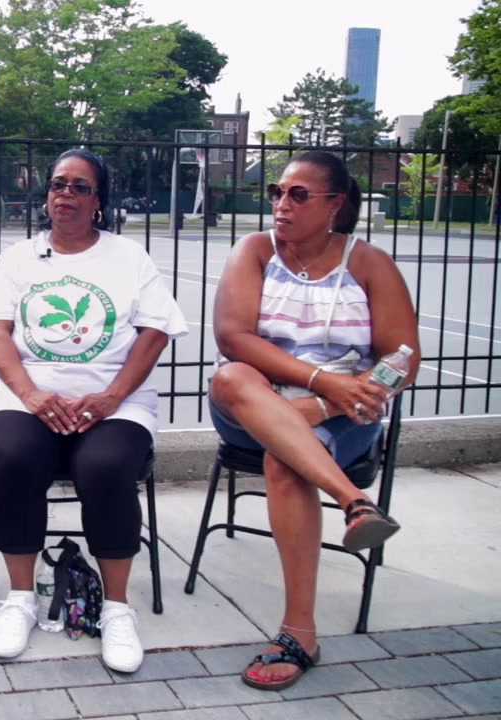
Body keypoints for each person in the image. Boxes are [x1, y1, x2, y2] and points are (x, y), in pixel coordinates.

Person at [210, 150, 419, 691]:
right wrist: (323, 384)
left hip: (347, 412)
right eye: (277, 192)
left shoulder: (369, 263)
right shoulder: (256, 251)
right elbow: (233, 338)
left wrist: (340, 399)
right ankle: (354, 501)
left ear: (335, 205)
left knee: (287, 462)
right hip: (254, 401)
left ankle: (299, 633)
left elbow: (403, 358)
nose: (282, 203)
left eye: (298, 195)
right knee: (231, 377)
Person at [0, 149, 187, 672]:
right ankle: (20, 599)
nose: (65, 194)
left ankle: (116, 609)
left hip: (116, 402)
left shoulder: (129, 257)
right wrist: (31, 395)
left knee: (105, 466)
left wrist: (111, 397)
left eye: (79, 186)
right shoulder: (18, 258)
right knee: (15, 457)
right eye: (58, 184)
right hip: (30, 397)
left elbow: (155, 332)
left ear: (99, 201)